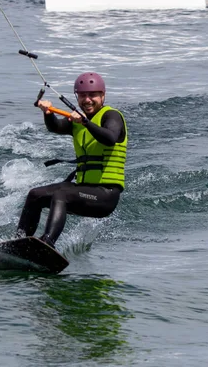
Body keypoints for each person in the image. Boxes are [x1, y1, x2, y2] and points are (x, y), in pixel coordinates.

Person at [15, 72, 128, 248]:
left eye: (93, 95)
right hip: (84, 189)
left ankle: (47, 243)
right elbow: (56, 127)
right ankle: (18, 243)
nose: (87, 100)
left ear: (103, 96)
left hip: (106, 195)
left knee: (61, 195)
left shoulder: (111, 116)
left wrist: (85, 123)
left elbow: (110, 138)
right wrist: (47, 113)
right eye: (83, 95)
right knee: (35, 195)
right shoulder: (77, 121)